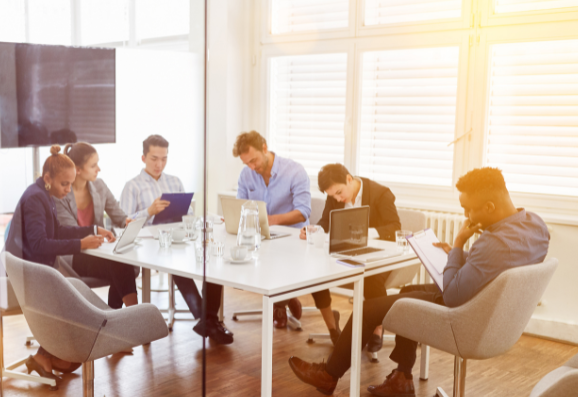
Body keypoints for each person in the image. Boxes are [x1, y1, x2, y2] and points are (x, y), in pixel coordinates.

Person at [288, 167, 550, 396]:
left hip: (465, 313)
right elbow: (501, 263)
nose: (467, 216)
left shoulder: (492, 243)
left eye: (468, 209)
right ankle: (402, 377)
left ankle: (329, 375)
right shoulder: (535, 226)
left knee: (367, 310)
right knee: (408, 290)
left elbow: (452, 296)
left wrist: (458, 245)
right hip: (492, 311)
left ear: (490, 207)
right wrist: (464, 257)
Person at [5, 145, 140, 378]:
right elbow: (39, 245)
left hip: (38, 267)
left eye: (70, 184)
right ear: (47, 178)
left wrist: (93, 229)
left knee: (69, 299)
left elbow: (56, 230)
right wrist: (81, 244)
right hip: (27, 271)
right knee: (68, 300)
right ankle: (47, 355)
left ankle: (44, 356)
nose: (68, 190)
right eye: (64, 184)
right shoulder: (36, 198)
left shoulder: (44, 194)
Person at [121, 134, 233, 345]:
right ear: (143, 158)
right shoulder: (132, 186)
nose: (159, 164)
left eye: (164, 158)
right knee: (177, 265)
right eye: (154, 158)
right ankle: (207, 319)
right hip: (149, 244)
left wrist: (190, 212)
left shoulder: (174, 181)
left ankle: (207, 319)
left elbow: (188, 212)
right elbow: (124, 222)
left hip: (179, 238)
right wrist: (149, 211)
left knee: (211, 262)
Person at [302, 163, 401, 347]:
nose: (338, 199)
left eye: (339, 193)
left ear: (349, 178)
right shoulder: (335, 197)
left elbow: (395, 227)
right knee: (315, 273)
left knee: (369, 275)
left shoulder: (381, 193)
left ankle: (377, 328)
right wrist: (313, 230)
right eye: (333, 196)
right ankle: (332, 327)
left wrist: (365, 233)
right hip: (344, 254)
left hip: (377, 257)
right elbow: (325, 222)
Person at [233, 131, 311, 328]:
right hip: (260, 236)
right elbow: (241, 205)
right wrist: (235, 216)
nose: (252, 167)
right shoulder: (246, 174)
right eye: (247, 163)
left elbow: (303, 212)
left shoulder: (294, 171)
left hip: (290, 237)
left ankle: (280, 302)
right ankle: (285, 298)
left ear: (265, 148)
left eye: (254, 160)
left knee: (277, 258)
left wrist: (271, 220)